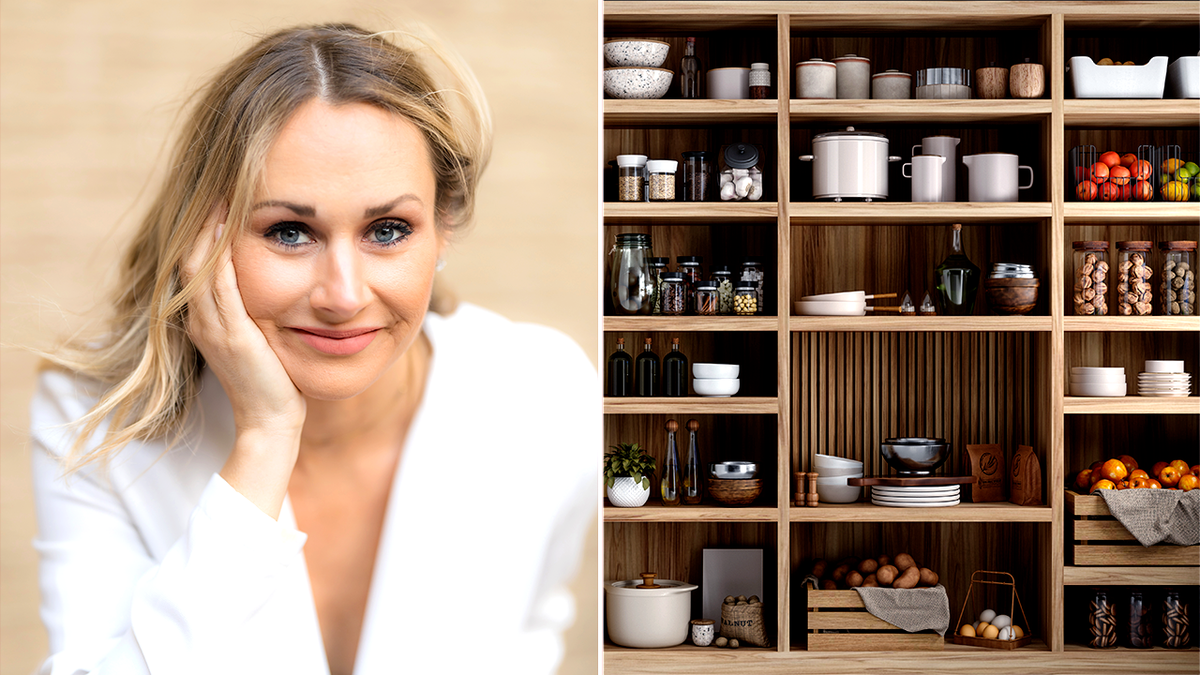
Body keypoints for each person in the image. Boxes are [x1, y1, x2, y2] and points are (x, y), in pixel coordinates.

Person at [29, 23, 596, 675]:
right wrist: (266, 438)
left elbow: (530, 640)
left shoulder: (548, 395)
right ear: (204, 241)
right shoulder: (96, 419)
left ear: (444, 230)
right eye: (290, 231)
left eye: (388, 229)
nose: (343, 295)